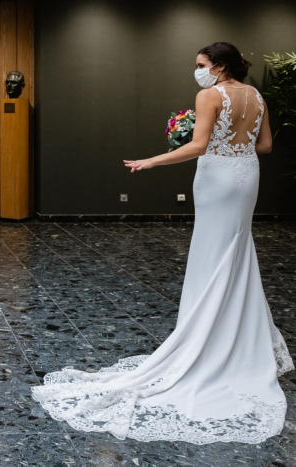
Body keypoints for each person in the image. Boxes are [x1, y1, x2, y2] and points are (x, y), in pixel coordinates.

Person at [32, 42, 294, 444]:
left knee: (211, 252)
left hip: (217, 178)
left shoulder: (209, 94)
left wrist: (152, 160)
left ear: (219, 66)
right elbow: (266, 146)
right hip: (247, 176)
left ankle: (204, 337)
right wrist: (236, 147)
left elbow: (199, 145)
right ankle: (240, 337)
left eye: (201, 65)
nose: (198, 71)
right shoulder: (256, 95)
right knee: (238, 250)